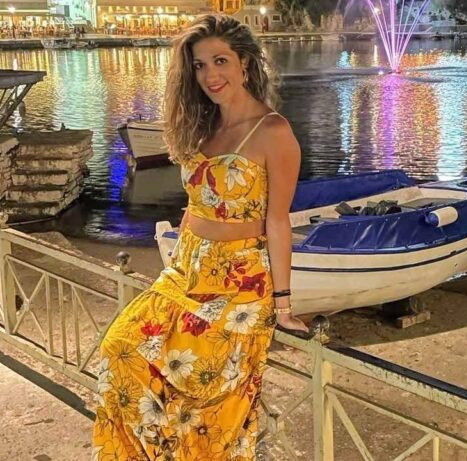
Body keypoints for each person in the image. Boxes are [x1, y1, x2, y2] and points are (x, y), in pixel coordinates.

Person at [92, 14, 308, 460]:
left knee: (206, 399)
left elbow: (278, 221)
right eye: (199, 65)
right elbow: (194, 204)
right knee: (119, 350)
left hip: (239, 281)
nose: (210, 75)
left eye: (220, 61)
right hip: (187, 268)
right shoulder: (204, 127)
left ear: (244, 63)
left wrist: (283, 306)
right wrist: (175, 261)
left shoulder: (273, 131)